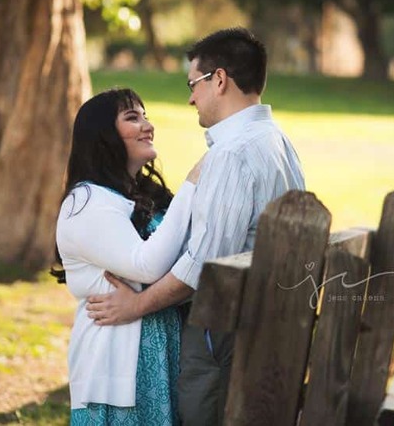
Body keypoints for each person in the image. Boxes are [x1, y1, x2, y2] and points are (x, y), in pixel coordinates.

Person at [85, 27, 306, 426]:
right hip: (274, 323)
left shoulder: (232, 154)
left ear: (218, 80)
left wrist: (135, 305)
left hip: (226, 335)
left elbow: (203, 267)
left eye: (193, 84)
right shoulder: (278, 141)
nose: (190, 98)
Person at [52, 88, 202, 425]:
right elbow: (146, 265)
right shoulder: (88, 202)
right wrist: (192, 186)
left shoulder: (142, 195)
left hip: (162, 353)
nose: (147, 125)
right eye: (132, 117)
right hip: (116, 362)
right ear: (104, 136)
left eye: (145, 115)